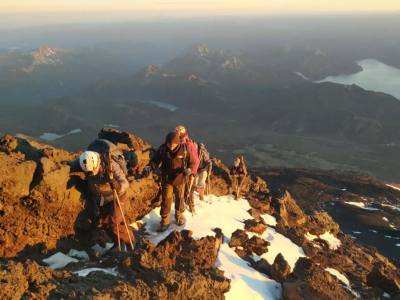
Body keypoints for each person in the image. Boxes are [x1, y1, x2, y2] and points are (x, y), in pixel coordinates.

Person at [79, 150, 134, 250]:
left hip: (118, 195)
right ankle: (118, 243)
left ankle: (130, 243)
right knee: (104, 223)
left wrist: (117, 186)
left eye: (94, 170)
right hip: (104, 199)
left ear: (97, 163)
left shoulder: (111, 166)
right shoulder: (85, 165)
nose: (92, 174)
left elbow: (125, 183)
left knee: (113, 222)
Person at [152, 131, 195, 232]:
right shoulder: (163, 149)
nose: (170, 146)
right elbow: (155, 161)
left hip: (181, 178)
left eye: (173, 144)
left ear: (178, 143)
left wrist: (189, 170)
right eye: (169, 144)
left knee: (180, 198)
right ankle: (164, 221)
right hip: (167, 179)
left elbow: (192, 163)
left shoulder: (184, 149)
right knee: (166, 199)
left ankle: (179, 216)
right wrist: (155, 168)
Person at [174, 125, 199, 208]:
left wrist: (192, 172)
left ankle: (191, 207)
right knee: (182, 193)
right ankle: (184, 208)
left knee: (189, 192)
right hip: (180, 173)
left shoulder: (189, 145)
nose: (177, 132)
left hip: (188, 172)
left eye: (178, 131)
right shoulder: (176, 143)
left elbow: (195, 161)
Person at [188, 142, 212, 210]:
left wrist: (209, 171)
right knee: (195, 183)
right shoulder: (191, 151)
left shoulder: (202, 152)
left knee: (201, 182)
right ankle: (196, 194)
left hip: (202, 169)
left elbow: (209, 161)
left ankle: (201, 196)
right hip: (195, 169)